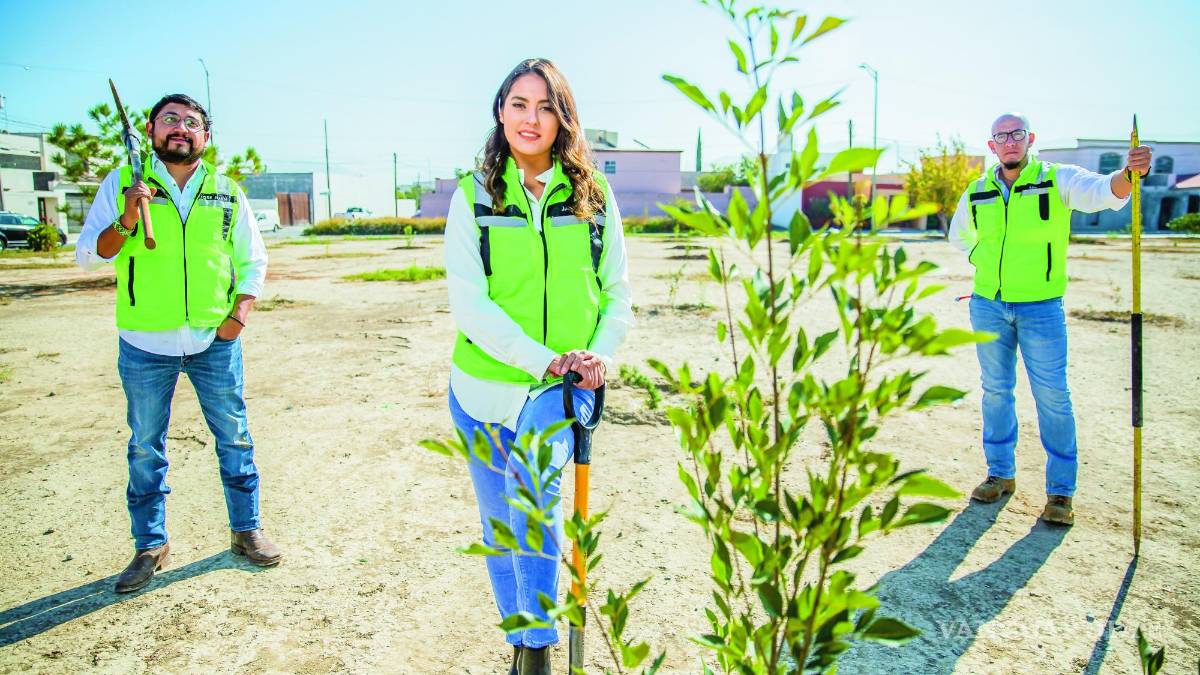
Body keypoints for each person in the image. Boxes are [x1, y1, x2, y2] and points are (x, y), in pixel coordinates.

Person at [443, 58, 633, 674]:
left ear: (563, 118)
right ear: (500, 113)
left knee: (535, 510)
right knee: (504, 529)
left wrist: (595, 356)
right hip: (481, 389)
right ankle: (524, 643)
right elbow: (470, 304)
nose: (531, 118)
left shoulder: (593, 196)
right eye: (519, 104)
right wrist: (540, 357)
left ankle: (537, 650)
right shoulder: (473, 196)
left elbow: (617, 294)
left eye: (546, 106)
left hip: (561, 387)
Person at [76, 93, 282, 593]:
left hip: (214, 341)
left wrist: (238, 317)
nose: (181, 129)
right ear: (151, 129)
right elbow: (89, 256)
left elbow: (253, 260)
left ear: (205, 138)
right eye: (171, 120)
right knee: (146, 447)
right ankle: (150, 545)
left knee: (234, 437)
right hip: (145, 344)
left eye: (192, 123)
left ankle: (246, 531)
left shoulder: (225, 190)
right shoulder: (125, 182)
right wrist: (127, 218)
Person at [948, 112, 1152, 526]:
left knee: (1053, 397)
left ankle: (1060, 493)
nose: (1009, 141)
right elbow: (959, 235)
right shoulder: (977, 190)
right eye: (1001, 136)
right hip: (988, 304)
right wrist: (980, 258)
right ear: (992, 145)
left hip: (1041, 307)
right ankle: (1000, 474)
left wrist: (1129, 175)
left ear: (1029, 139)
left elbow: (1100, 192)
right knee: (996, 392)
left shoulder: (1055, 178)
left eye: (1017, 134)